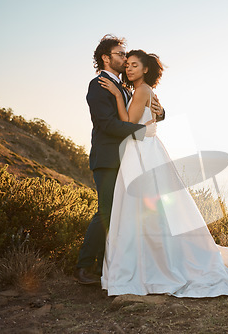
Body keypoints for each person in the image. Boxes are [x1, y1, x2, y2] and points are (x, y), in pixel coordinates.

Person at [98, 49, 228, 300]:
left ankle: (149, 266)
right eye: (127, 65)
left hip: (141, 151)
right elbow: (145, 118)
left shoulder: (141, 90)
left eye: (134, 65)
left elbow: (129, 120)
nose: (129, 69)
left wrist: (117, 96)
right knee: (148, 211)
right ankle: (151, 262)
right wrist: (139, 104)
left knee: (140, 209)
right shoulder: (140, 90)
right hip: (140, 149)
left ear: (146, 69)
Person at [74, 35, 164, 285]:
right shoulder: (98, 84)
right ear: (106, 57)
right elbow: (107, 124)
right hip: (108, 158)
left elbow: (141, 112)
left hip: (126, 158)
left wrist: (160, 111)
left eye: (126, 56)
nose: (125, 59)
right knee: (106, 212)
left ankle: (107, 266)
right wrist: (140, 131)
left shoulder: (124, 87)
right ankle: (83, 268)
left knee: (117, 213)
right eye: (121, 54)